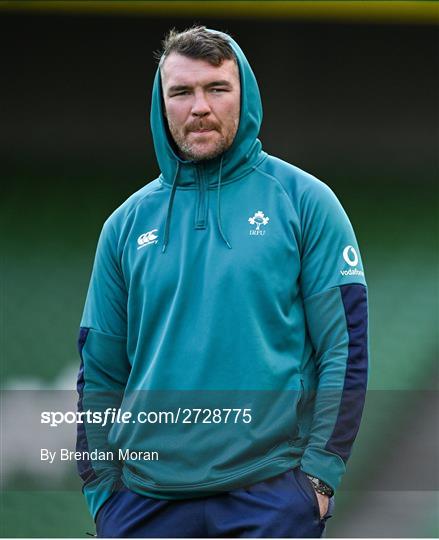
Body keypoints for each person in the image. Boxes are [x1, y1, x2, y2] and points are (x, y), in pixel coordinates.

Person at [76, 26, 368, 538]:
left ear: (245, 94)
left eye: (217, 88)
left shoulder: (305, 201)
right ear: (161, 104)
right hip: (143, 504)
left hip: (270, 496)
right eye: (182, 92)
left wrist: (319, 479)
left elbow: (344, 348)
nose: (199, 107)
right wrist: (105, 494)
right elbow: (100, 371)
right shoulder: (124, 225)